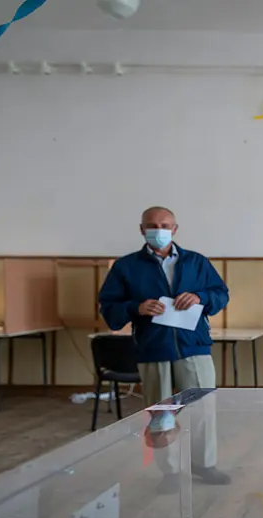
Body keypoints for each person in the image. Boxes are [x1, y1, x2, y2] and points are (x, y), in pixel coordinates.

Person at [99, 206, 231, 491]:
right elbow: (109, 308)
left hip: (193, 346)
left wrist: (200, 297)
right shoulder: (126, 267)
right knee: (161, 413)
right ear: (141, 229)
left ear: (175, 229)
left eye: (164, 225)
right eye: (151, 225)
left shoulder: (196, 262)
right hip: (152, 348)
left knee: (203, 409)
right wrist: (136, 307)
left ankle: (204, 464)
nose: (158, 230)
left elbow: (220, 294)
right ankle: (169, 472)